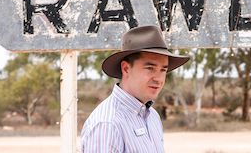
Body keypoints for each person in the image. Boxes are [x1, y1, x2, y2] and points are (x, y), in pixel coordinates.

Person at [81, 25, 189, 153]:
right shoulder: (107, 124)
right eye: (150, 68)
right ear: (126, 68)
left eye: (163, 70)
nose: (159, 79)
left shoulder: (152, 117)